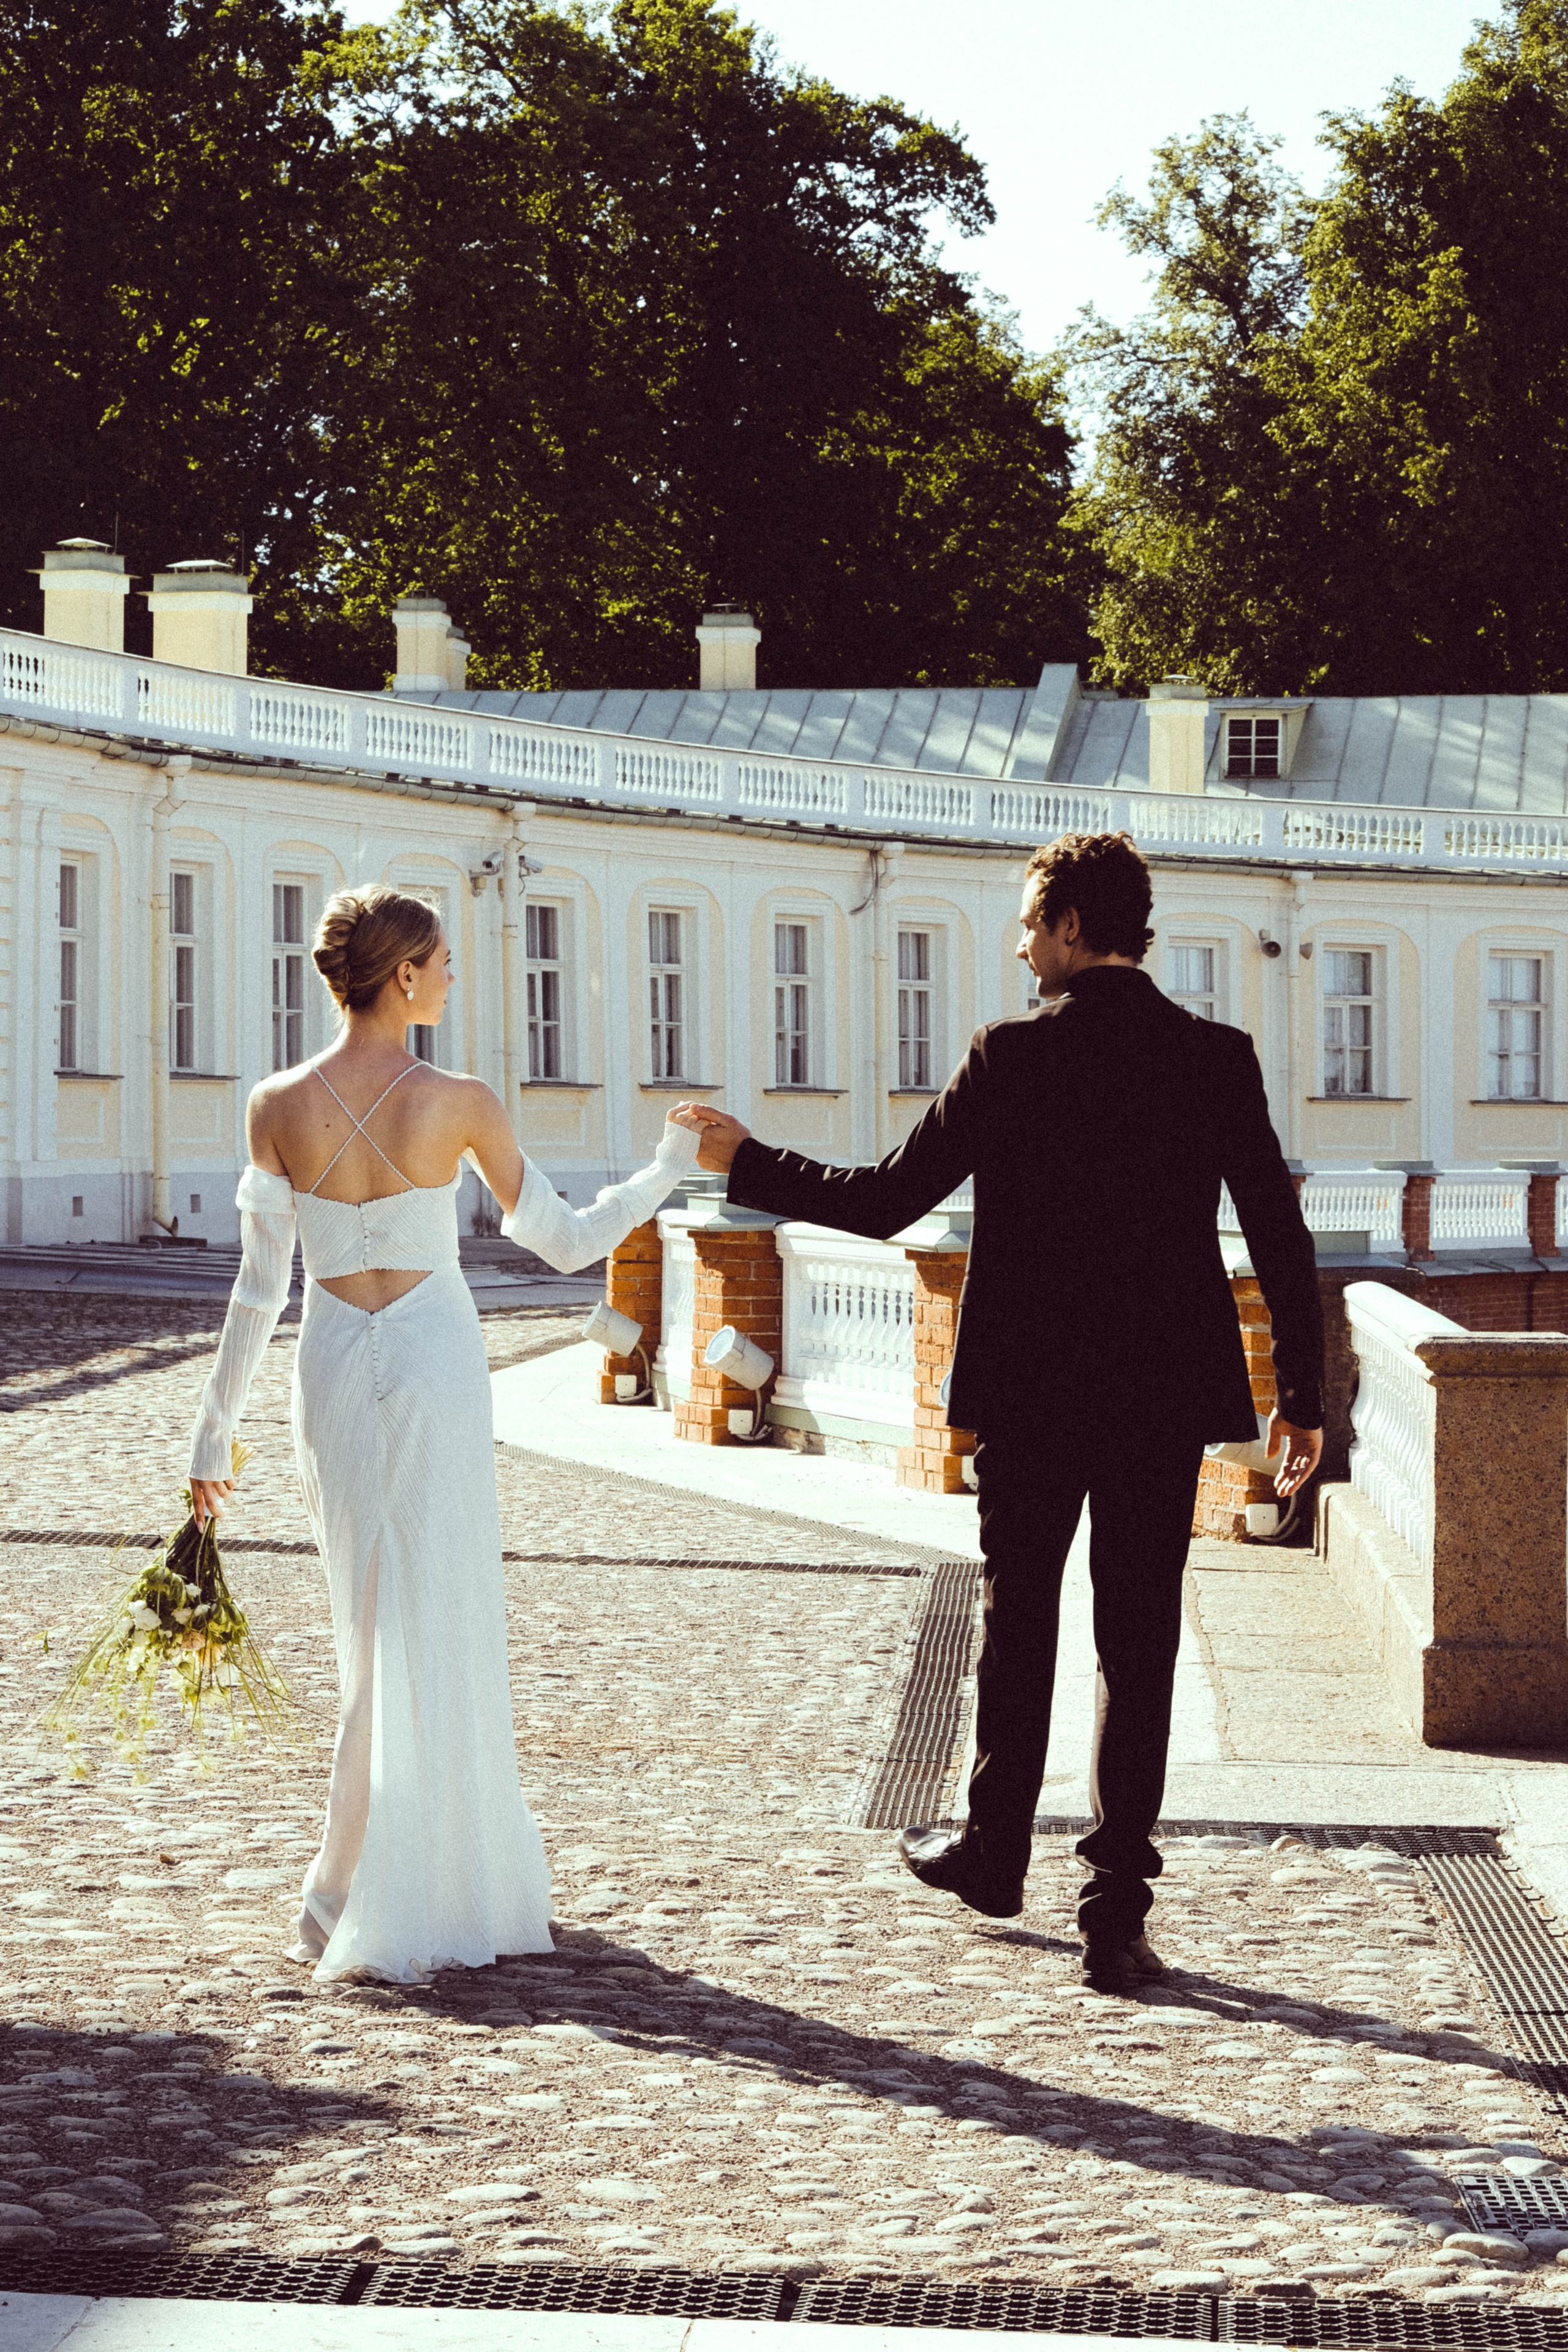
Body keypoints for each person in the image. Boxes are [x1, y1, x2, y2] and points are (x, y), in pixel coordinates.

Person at [686, 832, 1324, 1993]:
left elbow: (885, 1200)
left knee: (1019, 1620)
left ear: (1076, 928)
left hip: (1033, 1392)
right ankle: (1115, 1912)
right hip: (1158, 1397)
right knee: (1140, 1644)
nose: (1021, 941)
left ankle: (992, 1853)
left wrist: (749, 1160)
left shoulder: (1011, 1055)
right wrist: (1305, 1400)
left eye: (1033, 922)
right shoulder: (1216, 1058)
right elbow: (1280, 1239)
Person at [186, 884, 702, 1985]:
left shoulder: (274, 1103)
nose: (457, 976)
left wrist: (210, 1437)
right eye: (445, 959)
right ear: (404, 974)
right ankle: (373, 1884)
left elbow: (256, 1292)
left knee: (364, 1624)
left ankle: (353, 1884)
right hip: (431, 1360)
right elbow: (563, 1243)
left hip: (329, 1365)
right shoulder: (459, 1099)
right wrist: (663, 1172)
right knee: (439, 1610)